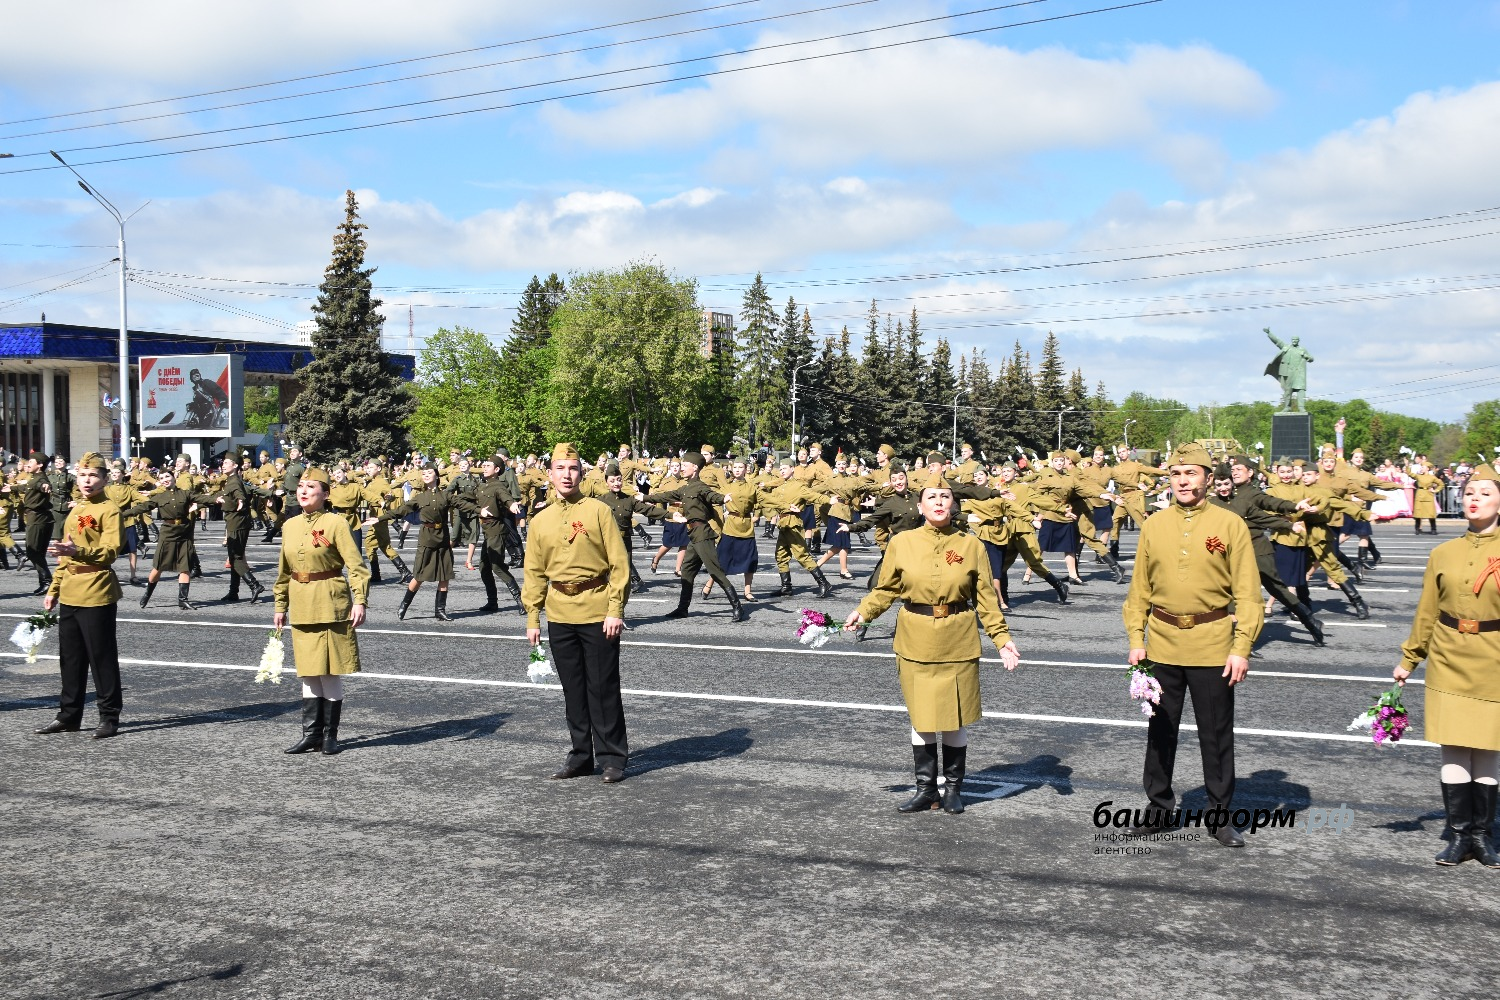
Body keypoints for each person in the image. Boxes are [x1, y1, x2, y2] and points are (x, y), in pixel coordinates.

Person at [843, 466, 1021, 814]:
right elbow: (887, 589)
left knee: (954, 720)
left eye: (945, 496)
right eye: (931, 498)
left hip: (958, 638)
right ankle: (926, 790)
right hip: (916, 639)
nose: (938, 502)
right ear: (920, 506)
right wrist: (863, 612)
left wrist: (1002, 639)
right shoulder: (902, 543)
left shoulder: (971, 545)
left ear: (953, 505)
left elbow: (985, 597)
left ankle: (953, 790)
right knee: (922, 719)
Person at [1121, 444, 1263, 847]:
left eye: (1191, 473)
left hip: (1213, 645)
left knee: (1215, 735)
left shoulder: (1230, 524)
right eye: (1177, 473)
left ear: (1206, 477)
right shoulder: (1154, 525)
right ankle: (1159, 810)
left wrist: (1241, 647)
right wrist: (1136, 639)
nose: (1183, 480)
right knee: (1160, 730)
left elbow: (1248, 594)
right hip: (1162, 644)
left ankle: (1220, 817)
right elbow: (1139, 591)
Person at [1393, 463, 1500, 867]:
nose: (1474, 498)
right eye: (1470, 492)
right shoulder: (1443, 552)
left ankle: (1482, 836)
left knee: (1488, 750)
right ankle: (1459, 836)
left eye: (1485, 492)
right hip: (1448, 655)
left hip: (1494, 656)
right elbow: (1427, 612)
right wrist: (1409, 658)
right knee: (1454, 748)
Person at [522, 443, 633, 783]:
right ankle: (581, 755)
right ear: (550, 474)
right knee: (573, 690)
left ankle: (613, 756)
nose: (566, 475)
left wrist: (616, 609)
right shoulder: (540, 519)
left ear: (581, 473)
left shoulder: (599, 512)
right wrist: (533, 616)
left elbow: (619, 563)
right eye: (560, 468)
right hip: (559, 613)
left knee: (602, 687)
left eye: (572, 468)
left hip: (598, 610)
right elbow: (535, 572)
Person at [274, 467, 371, 756]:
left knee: (329, 673)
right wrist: (280, 605)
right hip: (301, 603)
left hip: (330, 602)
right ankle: (310, 735)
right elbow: (284, 570)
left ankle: (330, 736)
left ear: (325, 494)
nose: (303, 491)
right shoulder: (289, 525)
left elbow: (356, 567)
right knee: (308, 673)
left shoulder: (336, 523)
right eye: (301, 486)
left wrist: (359, 600)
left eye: (311, 487)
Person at [35, 453, 125, 740]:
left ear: (105, 478)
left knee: (101, 657)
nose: (87, 481)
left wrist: (78, 552)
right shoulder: (76, 510)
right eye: (83, 475)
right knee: (70, 658)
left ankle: (109, 717)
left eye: (93, 475)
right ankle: (69, 715)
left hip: (96, 588)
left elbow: (111, 550)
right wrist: (54, 589)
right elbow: (65, 554)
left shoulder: (109, 510)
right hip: (71, 590)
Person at [366, 465, 479, 621]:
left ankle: (440, 610)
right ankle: (404, 605)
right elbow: (402, 510)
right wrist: (379, 518)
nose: (426, 475)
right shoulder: (420, 497)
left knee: (444, 575)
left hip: (443, 538)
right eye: (424, 473)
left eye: (429, 472)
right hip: (427, 538)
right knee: (419, 576)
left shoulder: (445, 495)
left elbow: (463, 504)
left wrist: (481, 511)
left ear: (437, 476)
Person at [643, 451, 746, 622]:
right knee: (687, 571)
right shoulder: (686, 487)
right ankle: (683, 608)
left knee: (715, 572)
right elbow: (667, 495)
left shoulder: (700, 486)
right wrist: (645, 497)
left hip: (702, 534)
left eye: (685, 466)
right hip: (693, 534)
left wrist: (723, 499)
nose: (682, 468)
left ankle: (738, 607)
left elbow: (711, 495)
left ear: (695, 468)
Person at [123, 468, 204, 610]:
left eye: (167, 476)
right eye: (162, 478)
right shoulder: (160, 497)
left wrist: (216, 499)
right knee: (158, 567)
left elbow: (202, 498)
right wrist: (122, 514)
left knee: (185, 566)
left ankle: (183, 600)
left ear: (174, 477)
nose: (165, 479)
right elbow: (142, 507)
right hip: (168, 533)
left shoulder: (184, 493)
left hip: (184, 532)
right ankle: (147, 593)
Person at [758, 458, 834, 599]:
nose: (782, 471)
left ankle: (824, 583)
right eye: (780, 469)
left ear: (793, 469)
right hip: (783, 524)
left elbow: (814, 495)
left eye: (785, 468)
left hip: (793, 524)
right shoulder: (779, 487)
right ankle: (786, 587)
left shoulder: (799, 486)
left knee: (802, 555)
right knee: (781, 555)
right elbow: (768, 500)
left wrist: (829, 500)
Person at [209, 453, 265, 603]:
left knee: (235, 558)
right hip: (235, 521)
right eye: (223, 463)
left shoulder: (234, 482)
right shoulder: (231, 481)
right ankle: (233, 592)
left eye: (227, 463)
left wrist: (241, 500)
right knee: (235, 557)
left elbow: (239, 493)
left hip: (237, 522)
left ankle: (255, 585)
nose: (223, 465)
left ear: (235, 466)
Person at [473, 452, 525, 611]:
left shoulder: (498, 485)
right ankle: (493, 602)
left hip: (496, 529)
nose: (484, 467)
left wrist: (512, 505)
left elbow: (506, 497)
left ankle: (522, 601)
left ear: (497, 469)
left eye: (488, 465)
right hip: (488, 531)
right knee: (484, 567)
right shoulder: (483, 485)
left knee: (497, 566)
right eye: (484, 465)